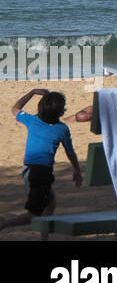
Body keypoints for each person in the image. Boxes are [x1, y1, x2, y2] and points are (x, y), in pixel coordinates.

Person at [0, 89, 82, 231]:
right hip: (41, 173)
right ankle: (3, 225)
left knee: (51, 204)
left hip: (28, 169)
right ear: (61, 112)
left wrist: (32, 92)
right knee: (33, 215)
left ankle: (43, 237)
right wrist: (77, 171)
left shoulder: (32, 120)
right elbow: (70, 153)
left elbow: (15, 108)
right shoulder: (61, 129)